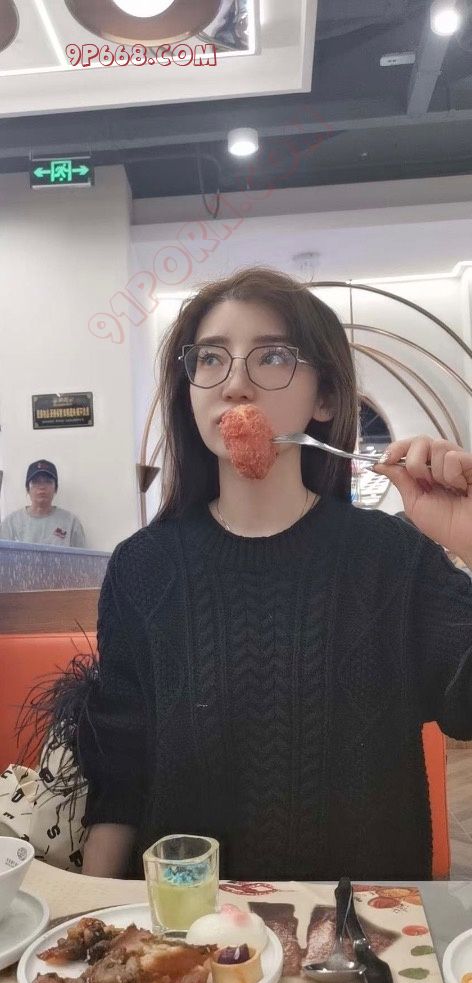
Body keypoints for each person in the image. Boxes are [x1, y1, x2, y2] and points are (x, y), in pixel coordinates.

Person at [41, 268, 472, 881]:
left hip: (361, 920)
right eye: (210, 358)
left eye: (272, 356)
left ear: (325, 398)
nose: (235, 383)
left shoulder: (393, 559)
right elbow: (122, 774)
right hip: (186, 922)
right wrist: (91, 912)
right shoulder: (143, 567)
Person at [0, 460, 86, 548]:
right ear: (27, 489)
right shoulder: (10, 524)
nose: (42, 487)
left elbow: (81, 556)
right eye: (36, 482)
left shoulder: (71, 523)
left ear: (56, 489)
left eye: (48, 481)